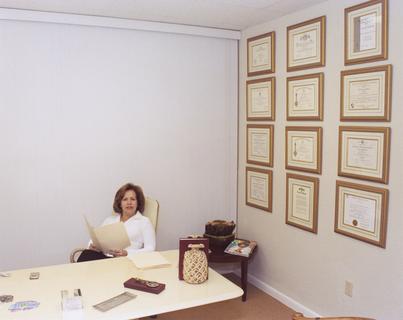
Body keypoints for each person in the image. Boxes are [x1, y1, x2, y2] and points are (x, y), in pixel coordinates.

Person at [77, 183, 156, 262]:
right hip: (105, 258)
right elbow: (95, 239)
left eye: (133, 199)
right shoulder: (110, 220)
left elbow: (150, 249)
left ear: (137, 203)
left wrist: (127, 253)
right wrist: (92, 246)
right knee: (86, 254)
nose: (129, 202)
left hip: (126, 261)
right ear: (120, 203)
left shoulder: (144, 222)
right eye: (125, 199)